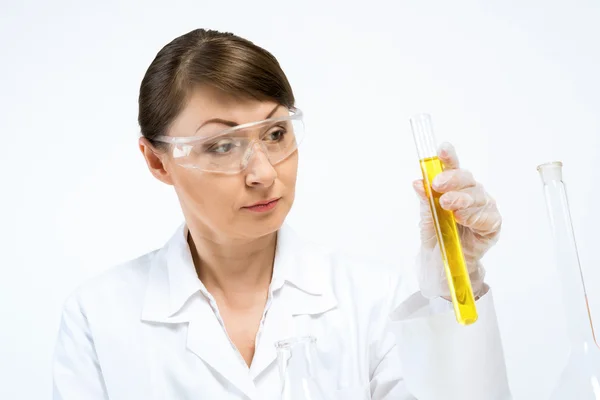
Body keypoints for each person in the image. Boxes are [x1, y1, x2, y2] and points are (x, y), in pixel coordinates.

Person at [52, 29, 511, 400]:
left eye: (275, 133)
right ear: (157, 161)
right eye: (221, 145)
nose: (263, 173)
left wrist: (456, 283)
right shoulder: (100, 317)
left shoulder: (369, 301)